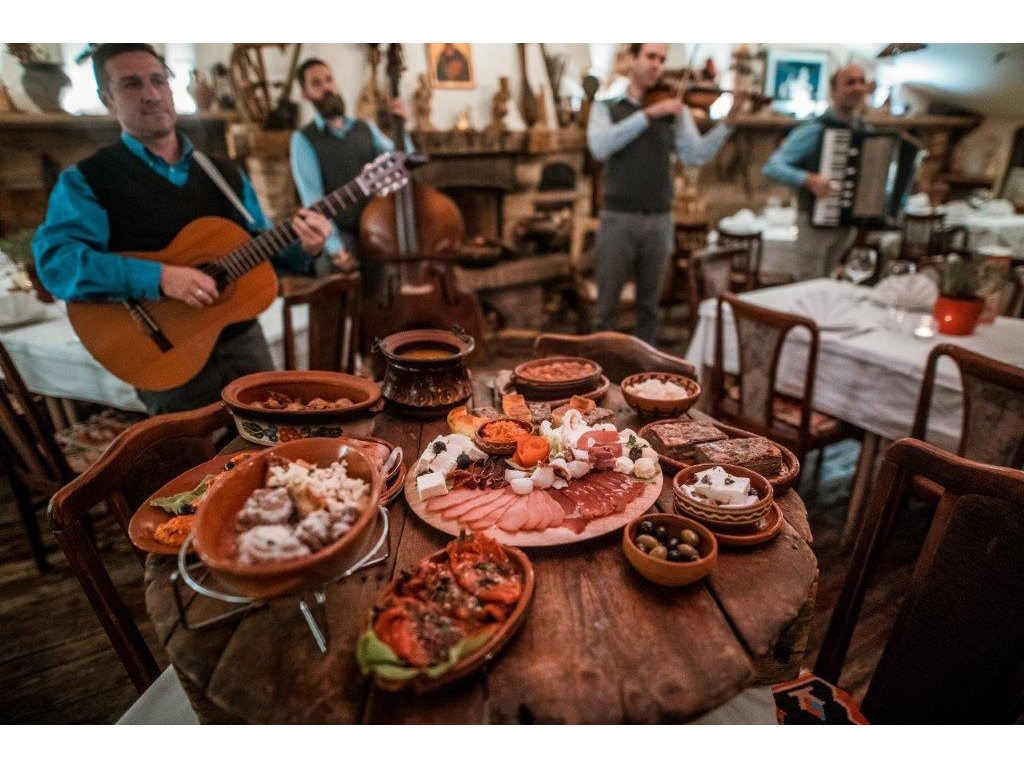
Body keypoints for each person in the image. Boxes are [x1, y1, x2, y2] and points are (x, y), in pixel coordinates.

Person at [33, 43, 332, 415]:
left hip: (243, 341)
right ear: (106, 98)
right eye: (131, 84)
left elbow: (259, 248)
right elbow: (57, 264)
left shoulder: (224, 174)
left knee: (272, 442)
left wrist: (307, 246)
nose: (152, 94)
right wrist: (159, 278)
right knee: (190, 465)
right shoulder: (87, 180)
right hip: (163, 353)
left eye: (158, 80)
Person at [587, 43, 747, 345]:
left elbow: (694, 155)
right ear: (631, 59)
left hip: (660, 220)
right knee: (605, 308)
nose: (657, 65)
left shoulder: (674, 111)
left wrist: (729, 122)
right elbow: (600, 146)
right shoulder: (606, 107)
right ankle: (597, 375)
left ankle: (645, 379)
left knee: (650, 308)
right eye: (650, 57)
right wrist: (649, 115)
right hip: (617, 219)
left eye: (661, 59)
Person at [290, 57, 412, 297]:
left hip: (376, 233)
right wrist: (335, 248)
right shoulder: (303, 139)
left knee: (381, 307)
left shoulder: (364, 128)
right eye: (316, 83)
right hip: (338, 240)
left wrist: (402, 126)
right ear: (305, 94)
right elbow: (313, 198)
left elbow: (401, 163)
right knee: (341, 320)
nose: (326, 87)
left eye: (328, 79)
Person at [762, 64, 869, 280]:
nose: (857, 88)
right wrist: (808, 179)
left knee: (831, 283)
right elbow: (772, 166)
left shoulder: (866, 131)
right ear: (833, 90)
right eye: (850, 82)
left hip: (847, 224)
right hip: (814, 222)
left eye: (861, 82)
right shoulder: (815, 128)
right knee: (809, 285)